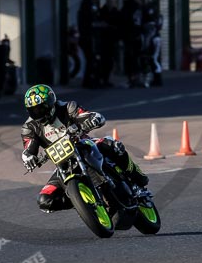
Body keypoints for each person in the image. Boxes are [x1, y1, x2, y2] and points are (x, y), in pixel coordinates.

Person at [20, 84, 149, 213]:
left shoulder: (68, 107)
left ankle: (138, 179)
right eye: (34, 110)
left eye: (41, 108)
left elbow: (90, 115)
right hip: (63, 164)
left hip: (84, 144)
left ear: (51, 102)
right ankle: (84, 202)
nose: (38, 113)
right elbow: (28, 148)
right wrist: (29, 158)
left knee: (113, 145)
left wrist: (92, 120)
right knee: (44, 200)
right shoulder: (29, 127)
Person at [77, 0, 102, 88]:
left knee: (90, 59)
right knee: (91, 59)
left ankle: (89, 80)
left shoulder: (83, 8)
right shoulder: (89, 7)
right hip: (88, 38)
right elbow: (91, 21)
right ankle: (90, 80)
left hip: (85, 37)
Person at [121, 0, 144, 87]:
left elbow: (123, 21)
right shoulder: (139, 7)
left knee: (131, 58)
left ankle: (132, 78)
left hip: (130, 36)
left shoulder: (127, 7)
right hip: (137, 35)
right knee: (136, 57)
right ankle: (137, 77)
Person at [99, 0, 120, 87]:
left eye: (112, 1)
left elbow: (119, 24)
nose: (110, 3)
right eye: (109, 1)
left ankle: (107, 78)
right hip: (104, 39)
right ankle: (103, 79)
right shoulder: (102, 11)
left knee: (111, 60)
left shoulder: (116, 12)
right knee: (104, 60)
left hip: (113, 39)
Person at [142, 2, 163, 86]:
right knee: (154, 58)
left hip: (154, 39)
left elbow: (150, 32)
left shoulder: (152, 20)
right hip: (156, 38)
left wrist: (146, 44)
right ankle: (156, 78)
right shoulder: (158, 17)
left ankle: (157, 79)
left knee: (154, 58)